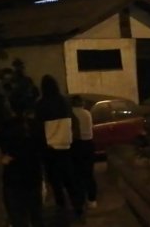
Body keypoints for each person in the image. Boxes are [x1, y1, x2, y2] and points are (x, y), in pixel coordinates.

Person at [0, 103, 45, 227]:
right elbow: (44, 148)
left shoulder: (4, 126)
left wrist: (1, 159)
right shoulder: (35, 125)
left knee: (18, 216)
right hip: (33, 173)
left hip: (13, 175)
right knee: (36, 214)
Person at [36, 75, 85, 223]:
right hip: (66, 146)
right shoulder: (65, 102)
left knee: (55, 181)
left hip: (49, 149)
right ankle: (78, 208)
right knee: (70, 179)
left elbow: (38, 129)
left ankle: (61, 208)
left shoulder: (41, 104)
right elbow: (73, 123)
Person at [70, 95, 97, 209]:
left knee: (77, 174)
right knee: (89, 173)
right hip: (89, 144)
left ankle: (80, 200)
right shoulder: (87, 113)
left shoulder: (70, 113)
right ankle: (92, 200)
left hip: (76, 144)